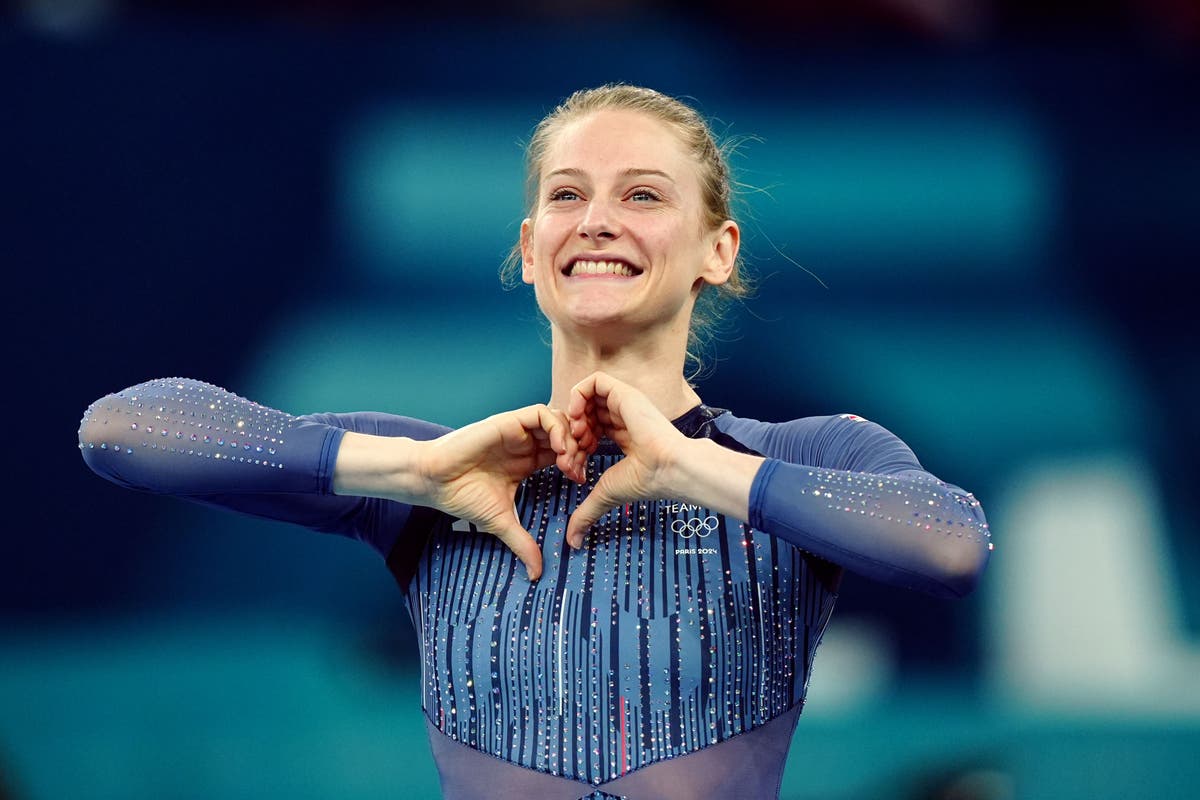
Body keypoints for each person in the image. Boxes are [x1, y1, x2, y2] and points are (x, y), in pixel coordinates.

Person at [79, 84, 991, 800]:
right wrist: (420, 470)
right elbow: (123, 431)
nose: (597, 220)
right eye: (567, 195)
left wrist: (685, 464)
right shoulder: (439, 472)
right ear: (528, 246)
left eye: (642, 195)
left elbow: (950, 542)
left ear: (718, 249)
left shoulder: (809, 453)